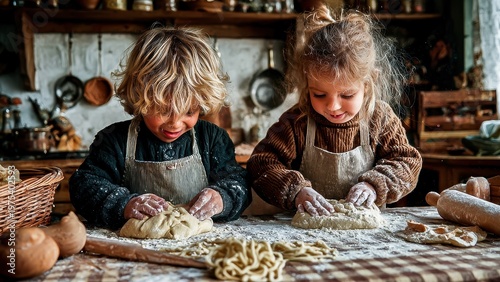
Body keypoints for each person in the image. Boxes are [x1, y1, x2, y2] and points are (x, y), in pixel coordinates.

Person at [246, 6, 422, 217]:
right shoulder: (297, 121)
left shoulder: (380, 119)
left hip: (365, 238)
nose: (333, 106)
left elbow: (406, 162)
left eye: (346, 95)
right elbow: (261, 164)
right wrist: (296, 190)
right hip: (303, 237)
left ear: (368, 84)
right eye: (319, 95)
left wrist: (374, 185)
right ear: (307, 82)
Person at [69, 26, 250, 230]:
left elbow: (239, 183)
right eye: (163, 110)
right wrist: (124, 204)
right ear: (139, 98)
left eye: (189, 112)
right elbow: (84, 186)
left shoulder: (212, 139)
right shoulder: (114, 141)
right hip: (135, 252)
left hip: (200, 246)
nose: (175, 123)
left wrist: (222, 197)